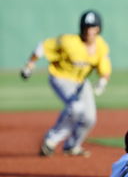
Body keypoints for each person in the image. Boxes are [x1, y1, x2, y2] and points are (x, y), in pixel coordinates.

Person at [20, 10, 112, 157]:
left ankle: (72, 146)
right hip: (60, 77)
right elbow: (43, 46)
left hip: (81, 82)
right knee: (75, 107)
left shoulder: (101, 46)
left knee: (90, 118)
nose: (90, 31)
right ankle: (50, 140)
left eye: (93, 27)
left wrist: (102, 81)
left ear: (99, 29)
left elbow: (104, 68)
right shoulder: (68, 41)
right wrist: (30, 64)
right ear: (81, 28)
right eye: (87, 27)